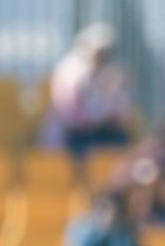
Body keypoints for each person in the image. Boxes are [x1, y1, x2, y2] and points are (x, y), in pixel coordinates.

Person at [42, 22, 134, 156]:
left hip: (102, 132)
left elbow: (120, 110)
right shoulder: (71, 70)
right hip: (72, 135)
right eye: (100, 52)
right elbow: (70, 112)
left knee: (121, 146)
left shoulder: (112, 70)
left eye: (106, 52)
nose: (103, 57)